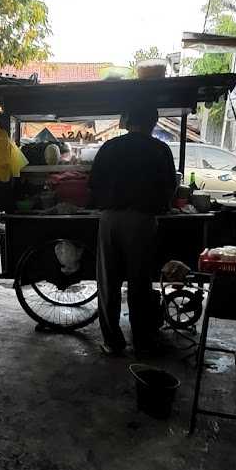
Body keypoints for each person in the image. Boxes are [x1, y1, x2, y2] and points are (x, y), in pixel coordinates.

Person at [90, 105, 176, 356]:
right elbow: (170, 187)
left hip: (110, 219)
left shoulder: (110, 147)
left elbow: (93, 183)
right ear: (152, 123)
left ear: (128, 122)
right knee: (139, 283)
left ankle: (112, 342)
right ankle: (142, 341)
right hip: (142, 221)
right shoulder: (161, 150)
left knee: (108, 282)